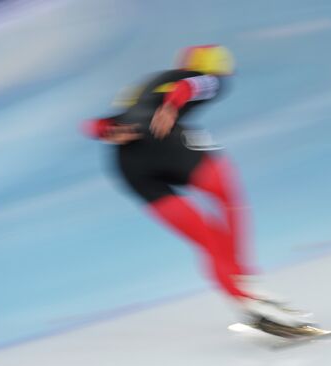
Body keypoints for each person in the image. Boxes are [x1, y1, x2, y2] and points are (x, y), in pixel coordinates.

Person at [83, 45, 311, 331]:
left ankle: (244, 302)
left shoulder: (146, 83)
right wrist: (171, 106)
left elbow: (94, 124)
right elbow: (190, 86)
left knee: (208, 237)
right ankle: (246, 280)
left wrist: (107, 132)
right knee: (229, 200)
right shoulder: (209, 78)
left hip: (129, 166)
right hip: (166, 142)